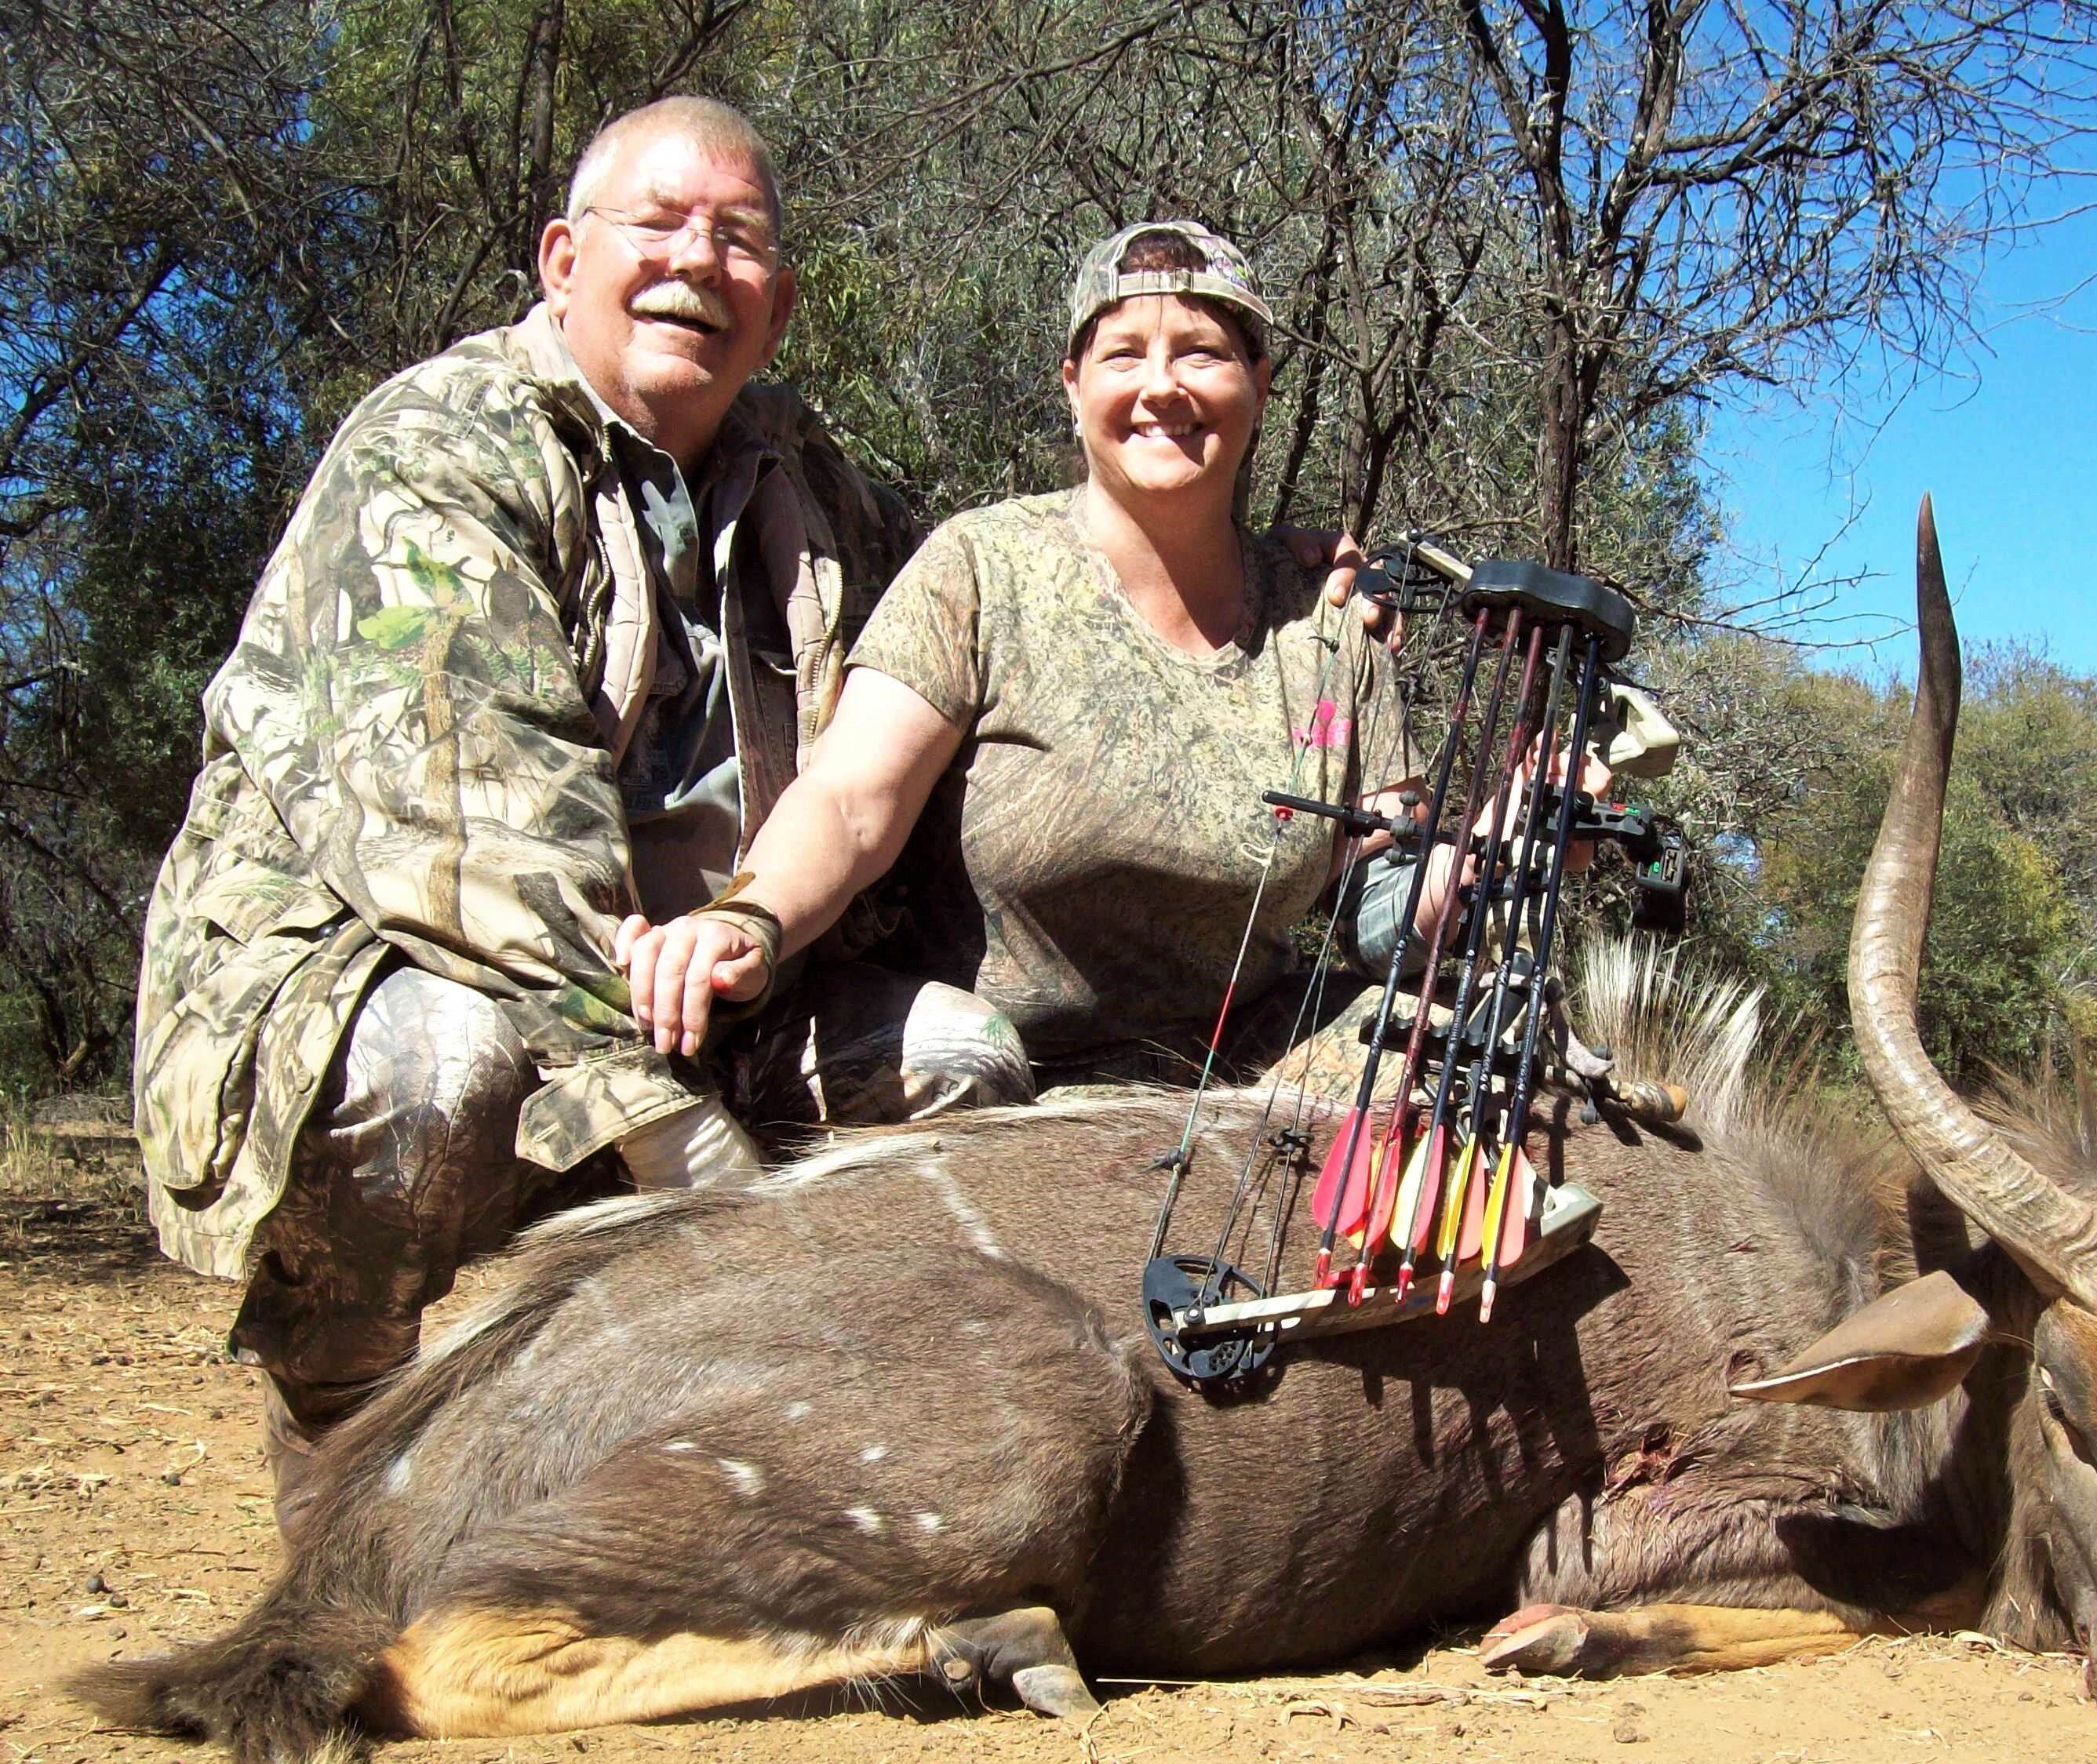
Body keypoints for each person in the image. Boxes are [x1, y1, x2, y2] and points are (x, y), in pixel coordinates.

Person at [133, 96, 956, 1511]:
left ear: (780, 305)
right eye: (659, 224)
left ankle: (756, 1459)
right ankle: (338, 1454)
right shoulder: (434, 449)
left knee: (960, 1058)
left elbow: (961, 647)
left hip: (709, 1000)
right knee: (433, 1074)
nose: (700, 261)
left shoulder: (818, 484)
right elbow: (482, 844)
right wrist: (702, 1169)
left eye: (741, 238)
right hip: (407, 974)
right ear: (563, 260)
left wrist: (1264, 592)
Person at [620, 220, 1452, 1097]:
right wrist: (750, 918)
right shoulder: (979, 566)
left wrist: (1481, 862)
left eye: (1203, 354)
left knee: (1461, 1050)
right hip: (1002, 1073)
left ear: (1260, 383)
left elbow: (1377, 907)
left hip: (1240, 1065)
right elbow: (850, 799)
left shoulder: (1325, 622)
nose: (1162, 387)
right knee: (964, 1055)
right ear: (1072, 384)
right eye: (1124, 354)